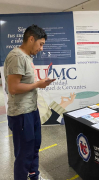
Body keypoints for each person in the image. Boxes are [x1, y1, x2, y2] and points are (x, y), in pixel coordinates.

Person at [4, 25, 53, 180]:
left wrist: (38, 82)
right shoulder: (17, 56)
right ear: (31, 39)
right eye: (41, 44)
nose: (41, 48)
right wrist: (38, 84)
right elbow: (13, 87)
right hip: (21, 114)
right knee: (24, 153)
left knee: (34, 146)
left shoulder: (27, 57)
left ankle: (34, 175)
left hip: (31, 110)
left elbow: (24, 83)